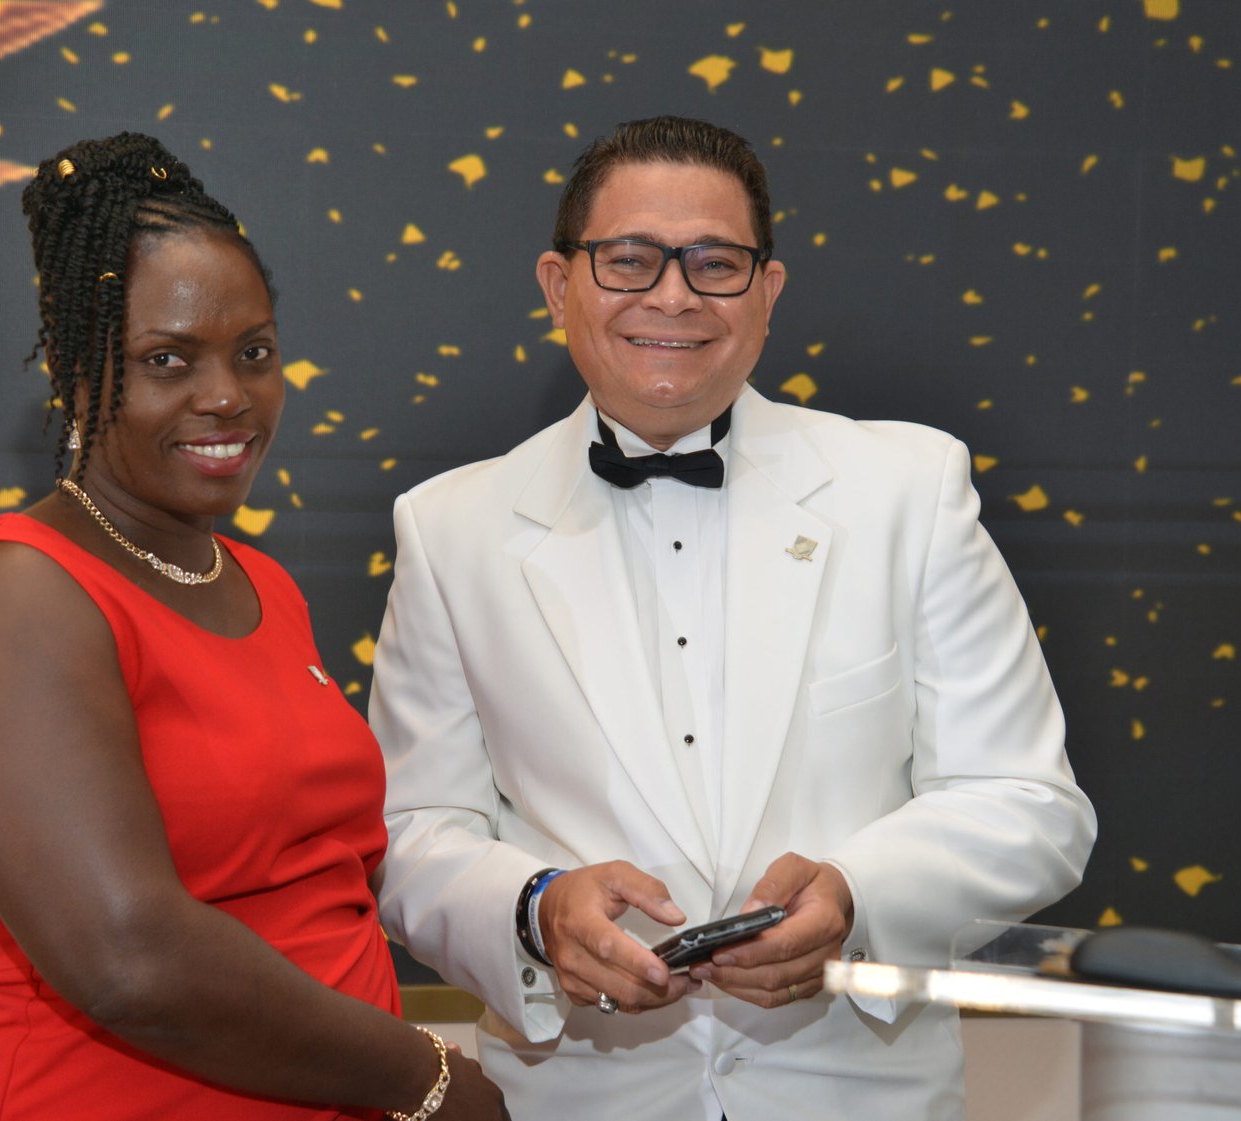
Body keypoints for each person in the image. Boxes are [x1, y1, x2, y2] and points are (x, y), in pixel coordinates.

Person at [367, 116, 1096, 1121]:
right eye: (629, 260)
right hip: (576, 1099)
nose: (673, 295)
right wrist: (535, 910)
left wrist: (857, 894)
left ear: (767, 291)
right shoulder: (450, 527)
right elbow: (410, 833)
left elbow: (1029, 802)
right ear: (558, 285)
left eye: (715, 263)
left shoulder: (908, 489)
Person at [0, 132, 505, 1121]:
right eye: (166, 359)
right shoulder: (13, 597)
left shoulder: (260, 582)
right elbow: (126, 956)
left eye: (253, 353)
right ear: (74, 374)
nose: (226, 396)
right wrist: (424, 1078)